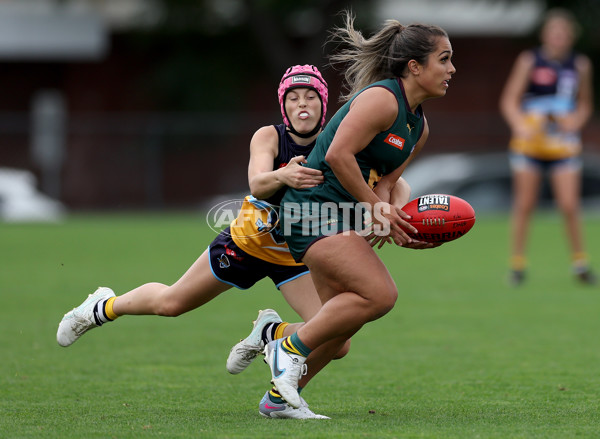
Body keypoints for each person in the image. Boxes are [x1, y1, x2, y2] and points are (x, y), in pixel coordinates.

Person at [56, 64, 346, 419]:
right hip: (244, 246)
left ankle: (271, 334)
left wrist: (393, 200)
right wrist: (283, 174)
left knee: (338, 340)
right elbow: (257, 183)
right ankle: (102, 307)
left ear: (324, 104)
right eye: (293, 97)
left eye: (311, 97)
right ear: (282, 106)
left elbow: (376, 173)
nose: (302, 104)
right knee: (171, 303)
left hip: (293, 256)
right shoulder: (268, 137)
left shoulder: (335, 141)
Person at [259, 12, 453, 410]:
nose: (452, 68)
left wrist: (395, 221)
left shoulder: (419, 126)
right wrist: (375, 208)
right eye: (445, 59)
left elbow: (384, 183)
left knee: (338, 336)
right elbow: (337, 155)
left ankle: (279, 398)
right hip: (310, 211)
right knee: (381, 295)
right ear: (415, 67)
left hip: (340, 218)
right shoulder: (382, 98)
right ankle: (286, 346)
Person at [499, 8, 596, 286]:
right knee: (524, 204)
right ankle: (517, 266)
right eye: (555, 33)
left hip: (562, 145)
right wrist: (520, 124)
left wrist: (575, 121)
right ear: (546, 35)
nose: (559, 38)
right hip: (529, 144)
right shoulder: (529, 61)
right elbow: (509, 100)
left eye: (564, 34)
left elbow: (585, 104)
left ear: (572, 37)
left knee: (569, 205)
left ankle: (580, 264)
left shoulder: (580, 65)